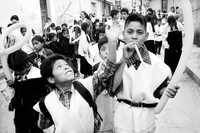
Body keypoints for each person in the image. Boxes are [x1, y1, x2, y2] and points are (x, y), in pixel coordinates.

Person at [33, 28, 118, 133]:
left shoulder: (85, 86)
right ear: (51, 79)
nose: (66, 67)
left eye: (66, 65)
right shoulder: (45, 103)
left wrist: (112, 43)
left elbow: (107, 69)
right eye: (59, 67)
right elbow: (43, 125)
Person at [107, 13, 179, 133]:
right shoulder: (117, 58)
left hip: (147, 118)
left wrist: (167, 91)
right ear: (123, 34)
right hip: (123, 118)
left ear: (146, 36)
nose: (134, 36)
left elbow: (159, 89)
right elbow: (112, 89)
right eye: (130, 32)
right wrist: (124, 60)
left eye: (139, 32)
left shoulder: (156, 63)